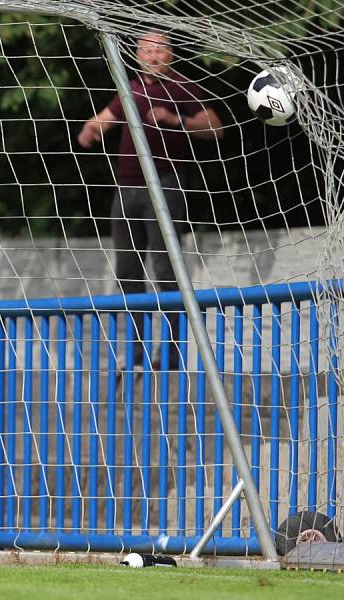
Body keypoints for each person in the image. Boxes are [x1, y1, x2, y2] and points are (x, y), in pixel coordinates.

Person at [78, 30, 224, 370]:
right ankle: (136, 353)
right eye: (147, 51)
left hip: (165, 187)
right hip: (125, 190)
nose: (154, 56)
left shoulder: (181, 87)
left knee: (165, 268)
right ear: (138, 56)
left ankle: (172, 353)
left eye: (160, 50)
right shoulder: (131, 89)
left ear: (170, 55)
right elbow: (105, 118)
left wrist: (178, 120)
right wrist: (91, 128)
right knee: (127, 272)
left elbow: (215, 127)